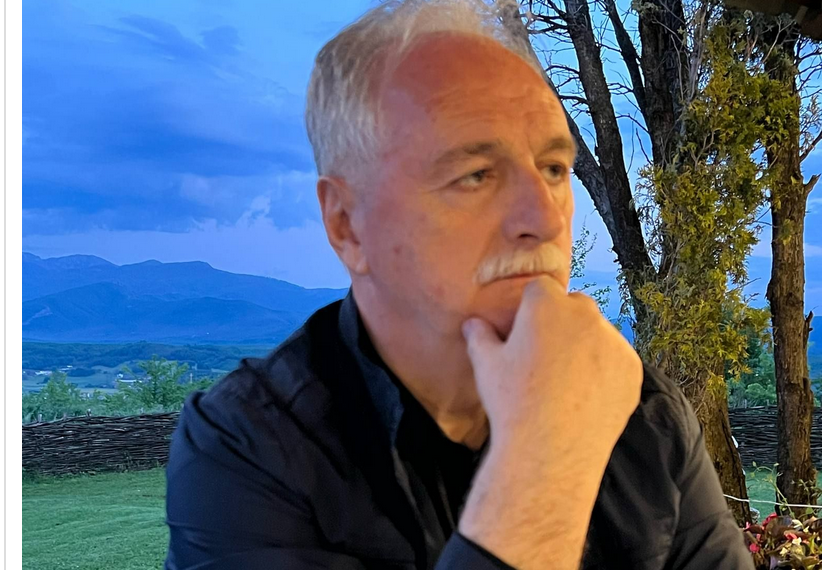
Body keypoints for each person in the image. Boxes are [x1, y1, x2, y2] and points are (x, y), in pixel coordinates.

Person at [164, 1, 755, 568]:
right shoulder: (251, 447)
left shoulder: (645, 413)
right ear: (347, 225)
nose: (547, 219)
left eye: (554, 168)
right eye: (475, 174)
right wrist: (546, 464)